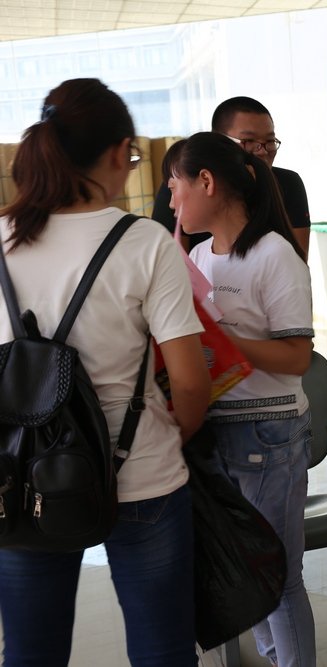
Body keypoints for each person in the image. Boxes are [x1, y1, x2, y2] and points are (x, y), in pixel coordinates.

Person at [0, 78, 211, 665]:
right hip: (140, 475)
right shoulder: (145, 242)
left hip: (23, 474)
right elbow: (190, 381)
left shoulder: (3, 239)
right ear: (119, 153)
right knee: (163, 650)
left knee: (30, 653)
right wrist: (176, 431)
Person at [165, 132, 315, 666]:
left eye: (175, 185)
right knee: (247, 568)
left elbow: (297, 356)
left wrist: (221, 340)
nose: (171, 200)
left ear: (206, 182)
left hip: (268, 432)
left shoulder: (274, 255)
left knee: (279, 576)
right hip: (216, 428)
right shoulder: (198, 256)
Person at [152, 96, 312, 258]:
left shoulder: (288, 184)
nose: (263, 150)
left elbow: (298, 258)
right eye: (248, 140)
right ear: (218, 142)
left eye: (270, 140)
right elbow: (173, 264)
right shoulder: (182, 189)